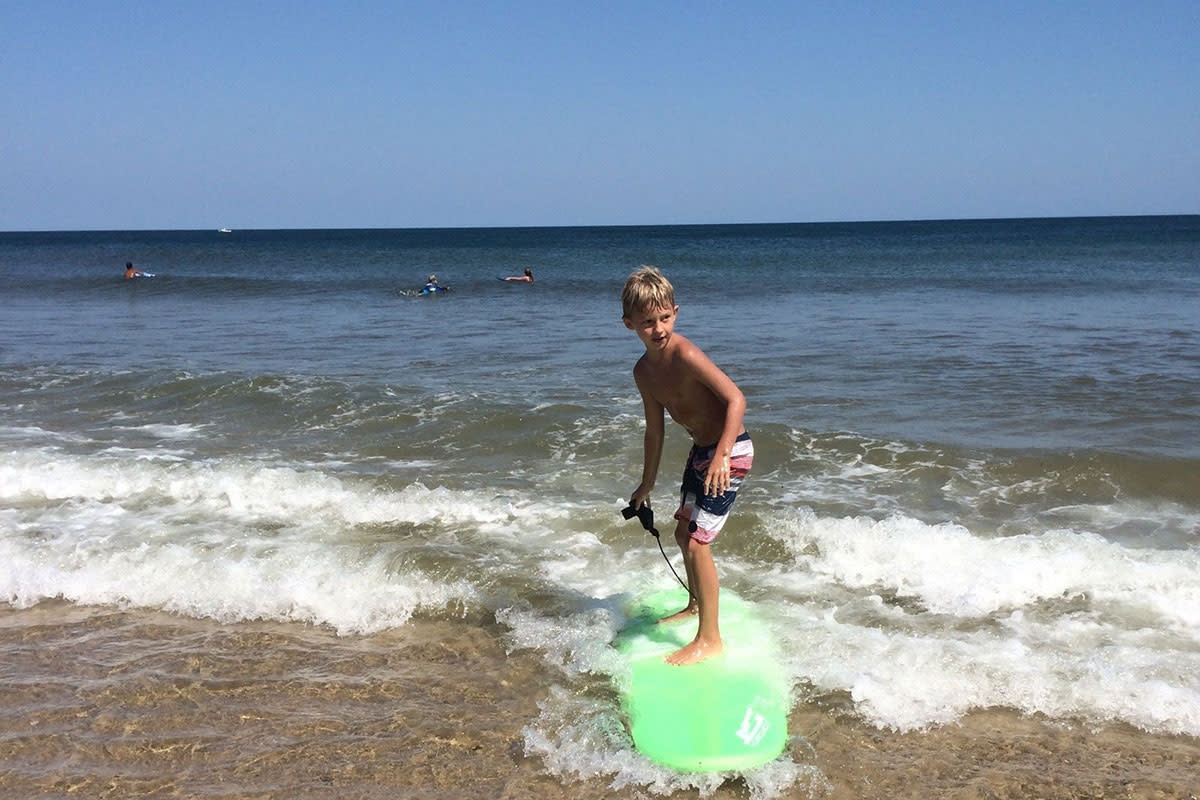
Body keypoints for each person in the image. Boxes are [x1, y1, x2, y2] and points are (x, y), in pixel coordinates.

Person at [622, 266, 753, 666]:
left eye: (664, 318)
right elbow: (655, 432)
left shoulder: (687, 354)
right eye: (647, 322)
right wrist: (645, 485)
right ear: (629, 325)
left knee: (698, 542)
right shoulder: (644, 372)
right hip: (701, 453)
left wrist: (724, 454)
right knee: (682, 532)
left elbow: (736, 400)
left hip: (731, 452)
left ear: (675, 313)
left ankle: (710, 640)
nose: (658, 329)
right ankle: (695, 605)